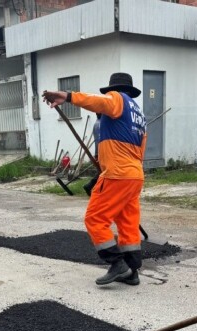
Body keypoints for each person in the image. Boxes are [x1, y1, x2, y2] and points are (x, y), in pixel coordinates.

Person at [42, 73, 147, 286]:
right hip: (135, 175)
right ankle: (132, 271)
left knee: (95, 219)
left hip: (118, 174)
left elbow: (98, 101)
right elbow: (140, 151)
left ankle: (117, 263)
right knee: (128, 223)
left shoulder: (117, 99)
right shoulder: (139, 115)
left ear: (113, 89)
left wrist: (68, 96)